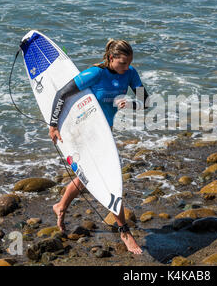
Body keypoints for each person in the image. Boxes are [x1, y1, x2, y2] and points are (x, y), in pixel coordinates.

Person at [49, 39, 149, 255]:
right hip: (85, 132)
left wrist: (131, 103)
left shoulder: (130, 73)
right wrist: (53, 125)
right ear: (111, 59)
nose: (126, 68)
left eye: (129, 63)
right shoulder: (96, 73)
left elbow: (146, 101)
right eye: (122, 63)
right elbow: (61, 94)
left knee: (88, 176)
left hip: (105, 133)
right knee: (108, 175)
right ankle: (124, 231)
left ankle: (61, 206)